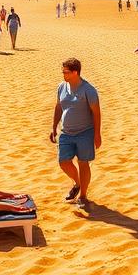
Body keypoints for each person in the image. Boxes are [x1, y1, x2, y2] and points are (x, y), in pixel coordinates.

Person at [50, 58, 101, 210]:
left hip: (85, 132)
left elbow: (96, 113)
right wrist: (54, 127)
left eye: (65, 72)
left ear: (75, 72)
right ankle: (77, 183)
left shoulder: (88, 90)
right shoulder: (61, 87)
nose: (63, 74)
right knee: (63, 162)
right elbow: (58, 107)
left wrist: (97, 135)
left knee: (83, 163)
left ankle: (83, 196)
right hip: (66, 132)